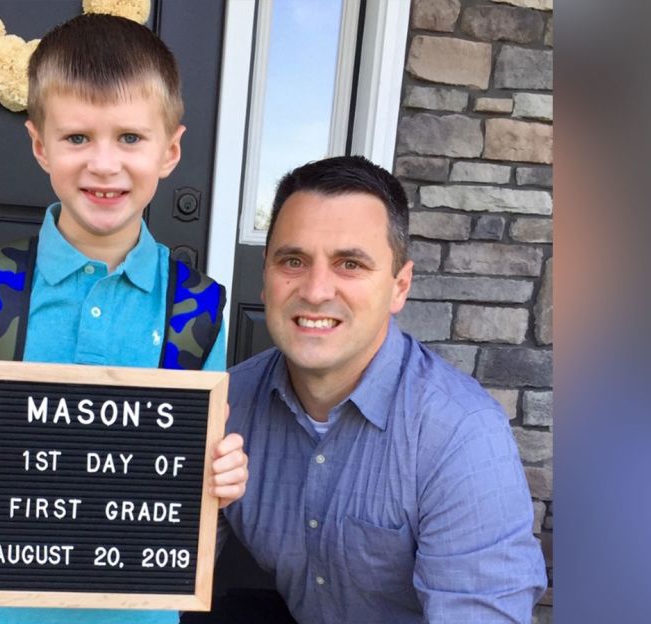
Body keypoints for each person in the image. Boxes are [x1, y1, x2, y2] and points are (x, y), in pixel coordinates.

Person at [0, 14, 249, 624]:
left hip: (137, 608)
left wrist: (222, 477)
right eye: (77, 138)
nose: (104, 164)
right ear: (40, 145)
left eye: (130, 137)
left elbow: (196, 473)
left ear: (170, 150)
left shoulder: (196, 310)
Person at [220, 156, 547, 623]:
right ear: (266, 276)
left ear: (399, 287)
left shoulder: (458, 433)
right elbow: (158, 569)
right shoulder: (228, 405)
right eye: (293, 260)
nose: (315, 290)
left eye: (349, 264)